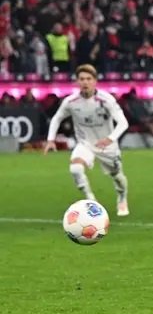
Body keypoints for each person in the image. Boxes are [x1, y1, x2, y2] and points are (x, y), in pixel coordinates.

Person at [43, 64, 131, 216]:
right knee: (75, 169)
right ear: (77, 81)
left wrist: (110, 139)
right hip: (85, 144)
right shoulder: (71, 101)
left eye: (89, 79)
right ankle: (91, 201)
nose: (85, 82)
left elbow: (123, 123)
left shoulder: (106, 100)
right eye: (82, 79)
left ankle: (122, 198)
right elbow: (57, 118)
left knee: (117, 176)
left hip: (107, 146)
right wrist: (50, 139)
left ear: (95, 81)